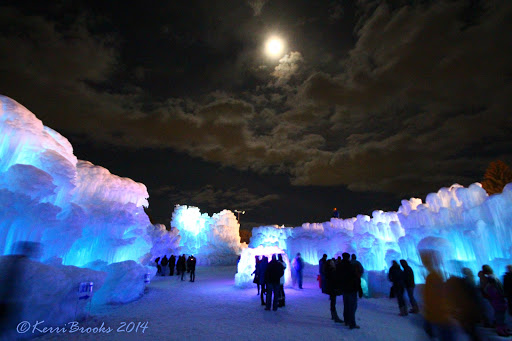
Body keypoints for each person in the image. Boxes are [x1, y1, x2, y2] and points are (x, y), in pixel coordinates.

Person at [481, 264, 509, 337]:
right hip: (497, 299)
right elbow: (498, 288)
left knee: (500, 314)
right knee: (500, 315)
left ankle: (502, 329)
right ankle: (501, 329)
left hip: (496, 299)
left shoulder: (489, 280)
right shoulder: (492, 278)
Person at [339, 252, 359, 329]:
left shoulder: (340, 265)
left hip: (344, 289)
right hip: (351, 289)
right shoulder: (350, 266)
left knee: (346, 305)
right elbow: (354, 277)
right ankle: (352, 323)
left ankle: (346, 321)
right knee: (352, 306)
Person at [325, 258, 343, 323]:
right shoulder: (332, 271)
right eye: (332, 263)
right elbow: (334, 280)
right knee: (333, 302)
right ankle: (335, 317)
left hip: (331, 288)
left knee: (332, 302)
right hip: (333, 289)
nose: (334, 264)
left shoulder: (328, 270)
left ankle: (333, 316)